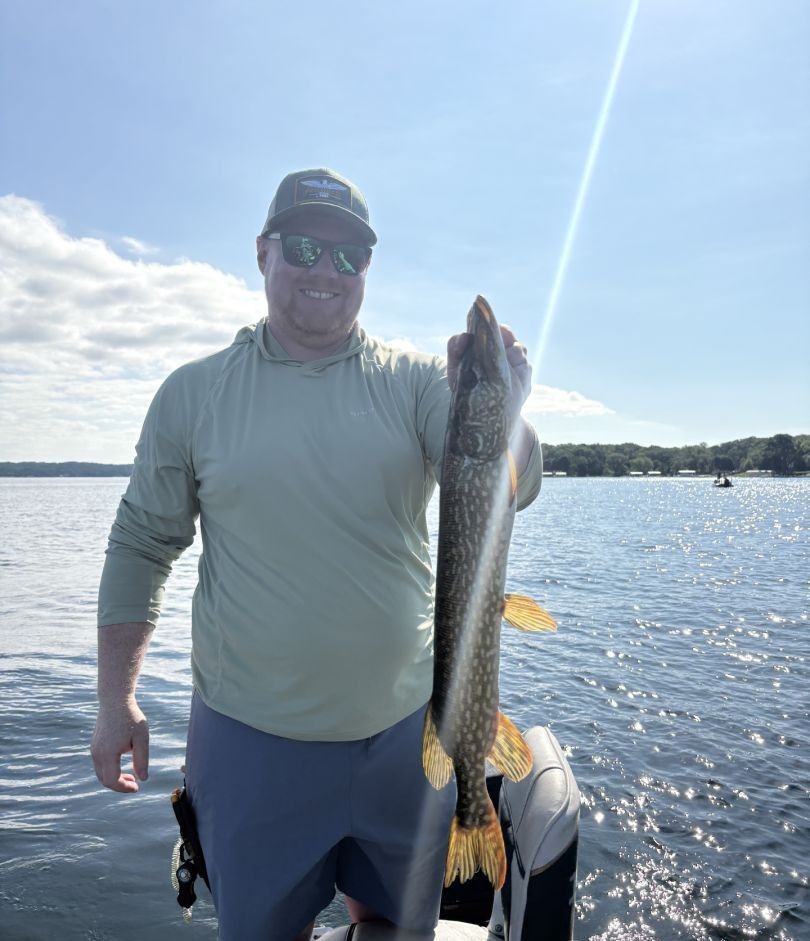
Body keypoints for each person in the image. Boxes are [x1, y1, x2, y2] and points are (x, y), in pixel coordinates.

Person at [91, 168, 544, 941]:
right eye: (303, 247)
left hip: (407, 738)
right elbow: (141, 544)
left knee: (396, 929)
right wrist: (114, 698)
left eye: (348, 256)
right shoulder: (194, 394)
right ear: (264, 253)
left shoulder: (416, 383)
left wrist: (509, 408)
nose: (324, 271)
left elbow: (513, 482)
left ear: (367, 269)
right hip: (250, 748)